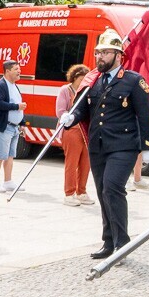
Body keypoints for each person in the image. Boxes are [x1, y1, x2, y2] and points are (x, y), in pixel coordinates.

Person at [60, 29, 149, 260]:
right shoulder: (93, 81)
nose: (99, 57)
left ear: (118, 55)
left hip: (124, 145)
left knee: (112, 188)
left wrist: (148, 145)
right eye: (98, 53)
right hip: (98, 145)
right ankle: (108, 241)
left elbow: (145, 115)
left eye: (105, 52)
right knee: (103, 192)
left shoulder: (133, 81)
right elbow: (85, 109)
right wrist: (71, 117)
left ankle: (122, 245)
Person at [56, 63, 93, 206]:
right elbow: (60, 111)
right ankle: (69, 193)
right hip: (71, 130)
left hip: (86, 131)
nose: (83, 82)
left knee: (86, 162)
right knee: (72, 163)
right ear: (74, 77)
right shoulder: (65, 90)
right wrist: (67, 117)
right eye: (81, 79)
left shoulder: (87, 92)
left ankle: (81, 192)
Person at [0, 59, 26, 193]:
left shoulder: (14, 85)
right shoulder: (0, 85)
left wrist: (22, 123)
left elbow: (20, 106)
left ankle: (8, 181)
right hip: (4, 127)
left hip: (14, 127)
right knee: (0, 155)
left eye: (19, 69)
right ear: (7, 71)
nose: (19, 71)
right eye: (16, 69)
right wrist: (16, 107)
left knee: (10, 156)